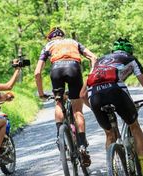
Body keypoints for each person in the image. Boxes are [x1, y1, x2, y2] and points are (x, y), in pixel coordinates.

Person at [80, 38, 143, 176]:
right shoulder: (130, 59)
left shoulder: (99, 62)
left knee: (110, 134)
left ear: (113, 52)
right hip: (116, 91)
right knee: (134, 126)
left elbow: (82, 95)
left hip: (95, 97)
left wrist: (95, 108)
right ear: (129, 51)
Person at [34, 27, 97, 167]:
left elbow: (37, 72)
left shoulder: (48, 45)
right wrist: (91, 75)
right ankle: (82, 145)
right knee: (77, 110)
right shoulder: (73, 42)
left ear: (50, 38)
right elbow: (93, 57)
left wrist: (41, 93)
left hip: (56, 69)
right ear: (63, 36)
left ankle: (60, 136)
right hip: (74, 68)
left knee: (58, 102)